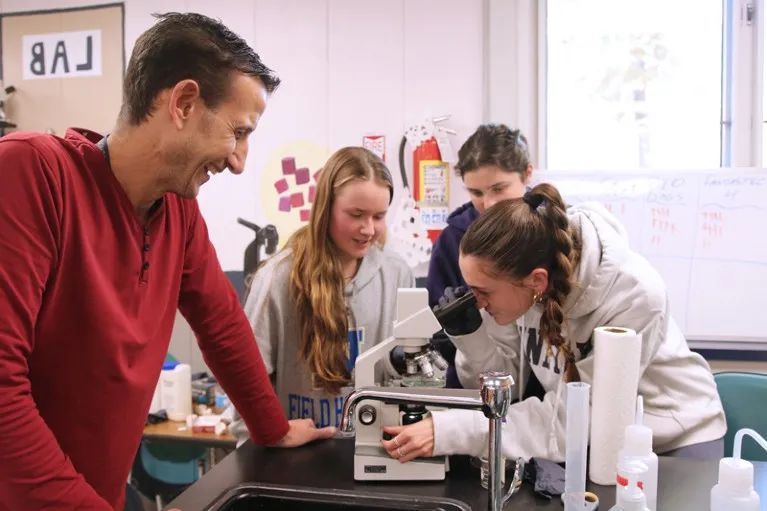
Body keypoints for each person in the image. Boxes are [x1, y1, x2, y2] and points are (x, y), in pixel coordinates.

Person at [0, 13, 334, 510]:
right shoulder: (31, 173)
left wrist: (273, 427)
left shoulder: (177, 210)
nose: (240, 159)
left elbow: (221, 323)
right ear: (183, 103)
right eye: (238, 132)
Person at [381, 183, 726, 464]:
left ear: (537, 282)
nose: (478, 302)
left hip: (672, 437)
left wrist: (450, 431)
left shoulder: (635, 295)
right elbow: (508, 389)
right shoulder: (522, 292)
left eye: (483, 292)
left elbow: (578, 420)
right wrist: (472, 337)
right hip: (589, 440)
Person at [230, 146, 414, 440]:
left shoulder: (397, 274)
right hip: (296, 459)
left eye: (379, 216)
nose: (368, 229)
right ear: (325, 208)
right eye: (356, 214)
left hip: (372, 453)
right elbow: (246, 384)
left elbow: (411, 377)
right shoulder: (278, 278)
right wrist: (269, 439)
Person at [426, 124, 533, 388]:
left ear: (527, 174)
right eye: (476, 193)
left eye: (499, 188)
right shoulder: (452, 242)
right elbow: (438, 340)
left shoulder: (548, 231)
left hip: (544, 397)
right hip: (473, 390)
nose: (489, 204)